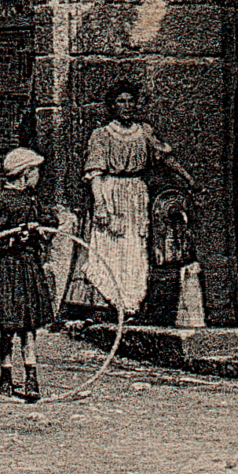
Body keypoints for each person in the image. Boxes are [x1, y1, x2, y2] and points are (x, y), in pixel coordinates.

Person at [82, 79, 188, 326]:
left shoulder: (144, 132)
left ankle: (131, 306)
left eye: (131, 101)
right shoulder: (102, 135)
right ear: (112, 105)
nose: (127, 106)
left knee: (135, 249)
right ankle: (112, 304)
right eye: (121, 101)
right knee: (109, 249)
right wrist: (100, 205)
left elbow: (166, 158)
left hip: (136, 196)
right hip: (111, 192)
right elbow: (95, 172)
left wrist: (188, 179)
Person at [0, 145, 52, 401]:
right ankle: (6, 376)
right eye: (35, 172)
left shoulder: (32, 199)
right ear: (25, 173)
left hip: (28, 266)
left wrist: (43, 228)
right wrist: (15, 236)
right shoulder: (2, 199)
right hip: (9, 268)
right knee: (8, 326)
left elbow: (47, 222)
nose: (38, 177)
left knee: (29, 327)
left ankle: (31, 377)